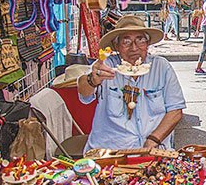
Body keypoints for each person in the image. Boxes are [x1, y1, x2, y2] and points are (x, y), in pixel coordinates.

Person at [77, 15, 185, 152]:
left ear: (148, 43)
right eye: (126, 41)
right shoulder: (106, 66)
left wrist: (154, 139)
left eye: (140, 40)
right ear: (116, 46)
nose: (134, 48)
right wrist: (92, 80)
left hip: (153, 149)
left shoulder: (161, 67)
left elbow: (175, 111)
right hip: (111, 152)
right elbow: (83, 92)